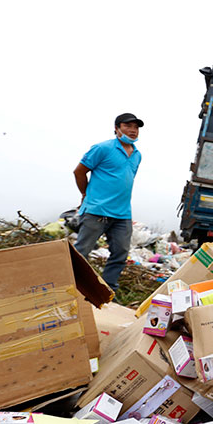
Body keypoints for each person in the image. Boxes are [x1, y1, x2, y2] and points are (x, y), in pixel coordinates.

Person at [73, 113, 144, 292]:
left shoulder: (137, 155)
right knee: (81, 253)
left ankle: (106, 290)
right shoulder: (102, 148)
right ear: (117, 128)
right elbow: (79, 172)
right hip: (97, 210)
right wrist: (84, 194)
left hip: (122, 214)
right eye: (128, 126)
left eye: (136, 127)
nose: (133, 131)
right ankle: (72, 287)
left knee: (120, 254)